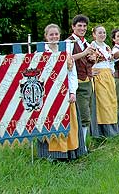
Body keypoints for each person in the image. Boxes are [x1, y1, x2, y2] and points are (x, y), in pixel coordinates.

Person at [36, 24, 88, 160]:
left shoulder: (65, 53)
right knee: (50, 122)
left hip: (65, 93)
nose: (54, 37)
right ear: (46, 36)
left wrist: (72, 92)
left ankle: (70, 152)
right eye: (51, 35)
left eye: (56, 34)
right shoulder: (41, 53)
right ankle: (50, 154)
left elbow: (72, 74)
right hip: (47, 95)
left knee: (69, 122)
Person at [67, 14, 95, 141]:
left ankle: (81, 142)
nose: (82, 28)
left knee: (86, 112)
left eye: (84, 26)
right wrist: (84, 53)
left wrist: (92, 60)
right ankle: (81, 144)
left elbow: (86, 62)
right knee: (83, 115)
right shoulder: (69, 42)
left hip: (87, 81)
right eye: (79, 26)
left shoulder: (86, 43)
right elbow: (67, 59)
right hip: (75, 83)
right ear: (73, 27)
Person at [89, 25, 119, 137]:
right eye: (100, 33)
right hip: (98, 77)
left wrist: (112, 70)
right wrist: (90, 71)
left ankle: (113, 129)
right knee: (103, 103)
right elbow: (86, 61)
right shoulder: (91, 47)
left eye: (104, 33)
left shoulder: (107, 47)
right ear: (94, 34)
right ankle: (102, 131)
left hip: (108, 76)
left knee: (111, 101)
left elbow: (111, 61)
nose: (102, 35)